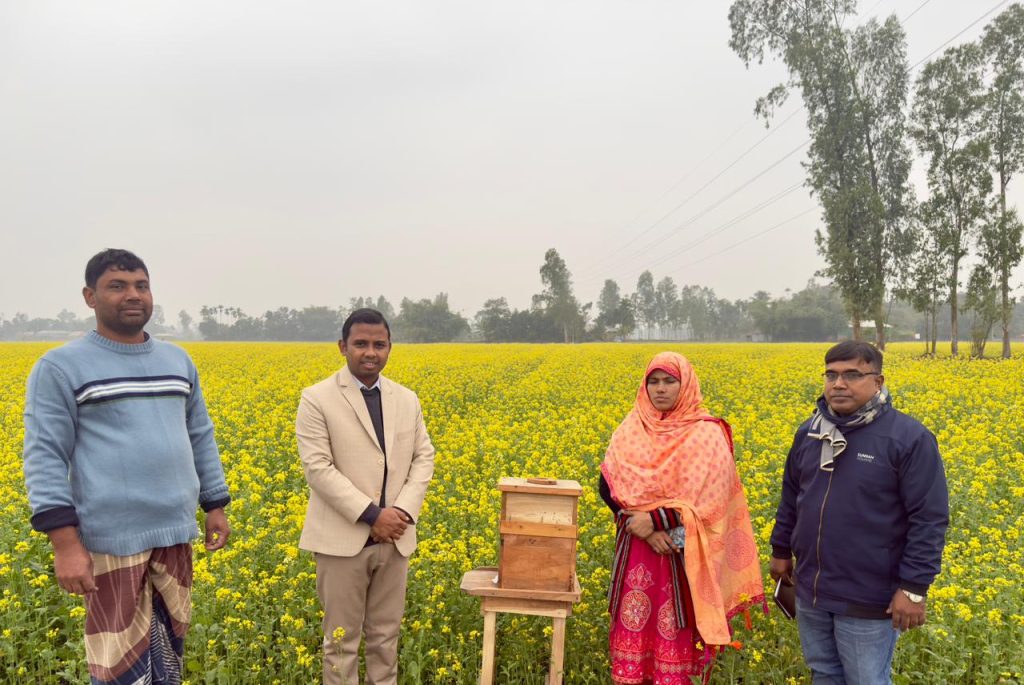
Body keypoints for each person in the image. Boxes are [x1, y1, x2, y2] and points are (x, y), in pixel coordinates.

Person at [22, 248, 231, 685]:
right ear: (90, 296)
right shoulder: (60, 367)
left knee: (168, 659)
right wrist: (65, 544)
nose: (132, 295)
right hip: (110, 541)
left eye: (141, 285)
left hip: (174, 535)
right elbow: (45, 456)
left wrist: (215, 503)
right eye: (117, 286)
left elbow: (200, 434)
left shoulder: (177, 361)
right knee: (119, 667)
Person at [769, 341, 949, 685]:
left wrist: (913, 588)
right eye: (831, 374)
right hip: (811, 589)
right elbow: (792, 496)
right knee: (823, 674)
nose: (839, 384)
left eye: (852, 374)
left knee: (866, 680)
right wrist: (780, 550)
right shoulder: (809, 432)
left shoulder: (908, 438)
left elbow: (929, 518)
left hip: (869, 595)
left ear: (878, 381)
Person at [599, 351, 764, 685]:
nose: (660, 389)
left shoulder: (706, 433)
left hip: (684, 551)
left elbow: (712, 495)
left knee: (678, 629)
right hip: (639, 548)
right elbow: (608, 486)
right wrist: (643, 529)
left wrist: (658, 523)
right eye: (653, 382)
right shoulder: (631, 428)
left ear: (685, 384)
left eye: (669, 381)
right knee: (636, 627)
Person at [296, 308, 435, 685]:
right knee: (341, 642)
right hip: (343, 541)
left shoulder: (407, 399)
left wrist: (400, 513)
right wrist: (374, 516)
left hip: (396, 538)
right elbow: (318, 468)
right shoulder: (316, 399)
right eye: (360, 344)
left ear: (390, 348)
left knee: (385, 640)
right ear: (343, 347)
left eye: (379, 344)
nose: (370, 352)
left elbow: (424, 457)